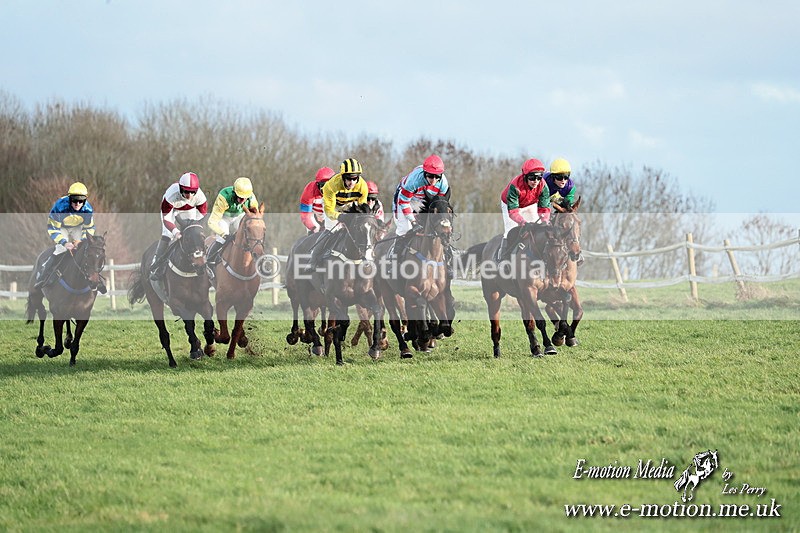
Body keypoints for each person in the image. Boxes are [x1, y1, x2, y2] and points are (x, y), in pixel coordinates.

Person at [35, 182, 105, 292]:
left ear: (85, 200)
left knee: (86, 249)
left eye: (80, 200)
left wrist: (81, 240)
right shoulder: (59, 206)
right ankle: (43, 277)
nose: (77, 203)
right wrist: (64, 242)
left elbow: (89, 229)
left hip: (77, 227)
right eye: (74, 199)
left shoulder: (87, 209)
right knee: (61, 249)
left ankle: (97, 279)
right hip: (61, 227)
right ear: (69, 198)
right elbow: (53, 228)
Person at [303, 158, 369, 272]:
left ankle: (368, 257)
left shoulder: (363, 186)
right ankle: (313, 261)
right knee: (330, 230)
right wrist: (339, 216)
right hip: (333, 207)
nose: (352, 182)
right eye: (348, 179)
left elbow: (361, 209)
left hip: (349, 204)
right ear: (343, 177)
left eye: (355, 178)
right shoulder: (331, 186)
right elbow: (329, 211)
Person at [149, 172, 208, 281]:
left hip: (188, 210)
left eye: (192, 192)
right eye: (186, 192)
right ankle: (156, 264)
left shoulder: (201, 197)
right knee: (168, 234)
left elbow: (201, 216)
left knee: (193, 233)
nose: (189, 195)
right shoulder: (171, 194)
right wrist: (175, 231)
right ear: (181, 189)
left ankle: (203, 262)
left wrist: (192, 228)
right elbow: (167, 219)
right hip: (170, 211)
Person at [497, 158, 551, 261]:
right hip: (511, 206)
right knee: (510, 231)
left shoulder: (543, 185)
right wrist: (523, 222)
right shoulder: (515, 186)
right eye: (532, 177)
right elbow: (513, 213)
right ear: (525, 176)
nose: (535, 181)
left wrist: (545, 221)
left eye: (539, 177)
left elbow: (544, 208)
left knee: (538, 229)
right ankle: (503, 258)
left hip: (530, 204)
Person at [206, 177, 259, 275]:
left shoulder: (251, 198)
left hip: (239, 216)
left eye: (244, 198)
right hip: (224, 217)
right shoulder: (224, 197)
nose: (242, 200)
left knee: (248, 237)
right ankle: (209, 261)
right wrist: (223, 234)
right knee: (222, 239)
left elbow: (255, 219)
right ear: (234, 192)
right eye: (239, 197)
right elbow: (211, 222)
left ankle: (256, 261)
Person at [299, 167, 335, 234]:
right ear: (317, 184)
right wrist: (313, 227)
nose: (326, 189)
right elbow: (306, 214)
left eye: (329, 186)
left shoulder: (339, 189)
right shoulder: (310, 190)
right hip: (315, 218)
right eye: (323, 185)